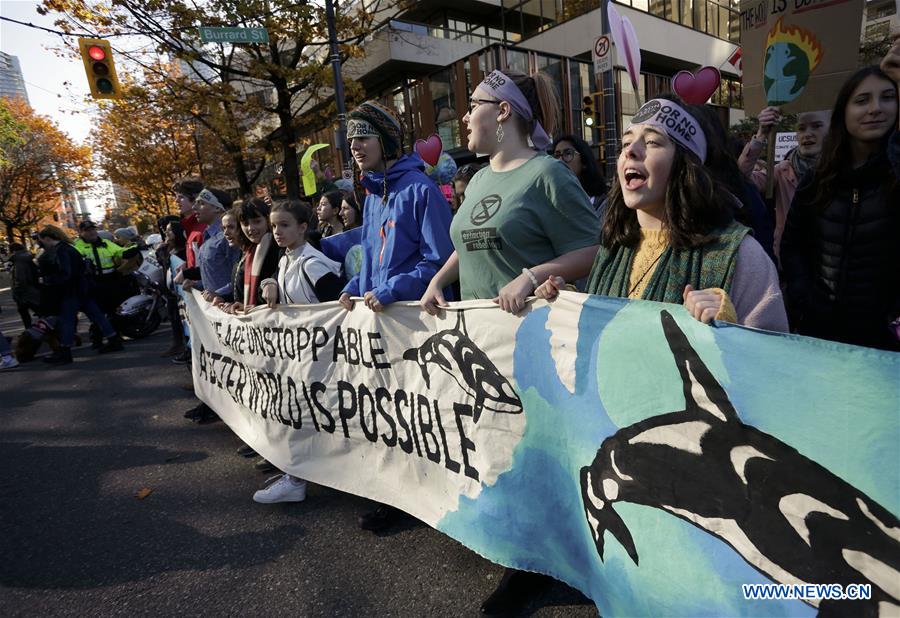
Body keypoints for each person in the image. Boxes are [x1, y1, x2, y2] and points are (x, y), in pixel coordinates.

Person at [419, 69, 602, 616]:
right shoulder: (476, 179)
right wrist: (438, 280)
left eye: (470, 105)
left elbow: (595, 249)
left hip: (537, 347)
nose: (461, 118)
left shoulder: (547, 173)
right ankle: (515, 544)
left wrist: (534, 273)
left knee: (537, 451)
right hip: (483, 345)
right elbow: (468, 243)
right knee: (496, 445)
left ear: (502, 111)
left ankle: (535, 566)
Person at [534, 95, 787, 330]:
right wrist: (567, 299)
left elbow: (773, 361)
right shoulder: (614, 248)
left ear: (686, 165)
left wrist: (728, 325)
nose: (630, 151)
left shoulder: (741, 255)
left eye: (652, 141)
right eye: (625, 142)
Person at [338, 100, 454, 529]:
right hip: (380, 324)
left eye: (363, 137)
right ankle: (397, 496)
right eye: (350, 139)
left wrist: (390, 290)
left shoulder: (420, 190)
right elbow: (369, 257)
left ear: (386, 141)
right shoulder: (371, 194)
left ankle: (423, 498)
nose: (354, 146)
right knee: (387, 411)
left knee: (418, 413)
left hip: (412, 327)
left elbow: (439, 261)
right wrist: (354, 287)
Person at [780, 65, 900, 351]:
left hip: (883, 341)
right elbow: (792, 244)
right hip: (820, 332)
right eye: (862, 100)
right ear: (842, 112)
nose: (875, 109)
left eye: (887, 98)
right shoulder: (818, 178)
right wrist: (805, 298)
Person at [251, 199, 345, 504]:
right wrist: (270, 283)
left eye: (284, 225)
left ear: (303, 228)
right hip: (305, 357)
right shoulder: (286, 258)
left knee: (307, 417)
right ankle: (297, 475)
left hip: (324, 359)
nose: (276, 232)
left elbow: (339, 307)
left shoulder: (313, 264)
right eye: (274, 225)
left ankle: (297, 479)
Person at [738, 106, 831, 263]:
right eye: (801, 128)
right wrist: (761, 134)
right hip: (790, 263)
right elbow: (741, 178)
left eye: (816, 126)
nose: (807, 134)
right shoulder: (782, 171)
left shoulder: (842, 169)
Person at [179, 188, 241, 421]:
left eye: (202, 204)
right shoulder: (208, 235)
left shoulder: (228, 236)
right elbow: (210, 271)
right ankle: (211, 403)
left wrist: (221, 294)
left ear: (217, 208)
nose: (196, 208)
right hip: (211, 306)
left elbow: (237, 272)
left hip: (226, 307)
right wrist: (194, 279)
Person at [36, 225, 124, 365]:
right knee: (97, 316)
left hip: (72, 291)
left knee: (68, 321)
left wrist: (47, 280)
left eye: (42, 241)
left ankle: (65, 351)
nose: (42, 244)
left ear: (47, 238)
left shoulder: (61, 251)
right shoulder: (69, 248)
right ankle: (114, 340)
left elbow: (66, 274)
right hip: (83, 289)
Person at [73, 220, 125, 348]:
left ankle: (115, 336)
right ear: (81, 232)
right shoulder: (77, 247)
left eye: (93, 229)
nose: (92, 232)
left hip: (110, 280)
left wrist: (133, 247)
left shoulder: (105, 243)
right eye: (87, 230)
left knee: (112, 310)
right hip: (92, 283)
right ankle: (97, 339)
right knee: (97, 313)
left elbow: (120, 251)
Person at [551, 134, 607, 211]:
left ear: (584, 161)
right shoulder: (551, 201)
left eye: (568, 154)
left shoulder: (603, 204)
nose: (560, 160)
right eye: (557, 156)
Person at [9, 242, 41, 329]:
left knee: (25, 313)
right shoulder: (26, 257)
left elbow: (20, 278)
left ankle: (30, 332)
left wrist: (18, 292)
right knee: (39, 311)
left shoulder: (18, 260)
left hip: (24, 293)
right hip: (31, 290)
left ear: (13, 251)